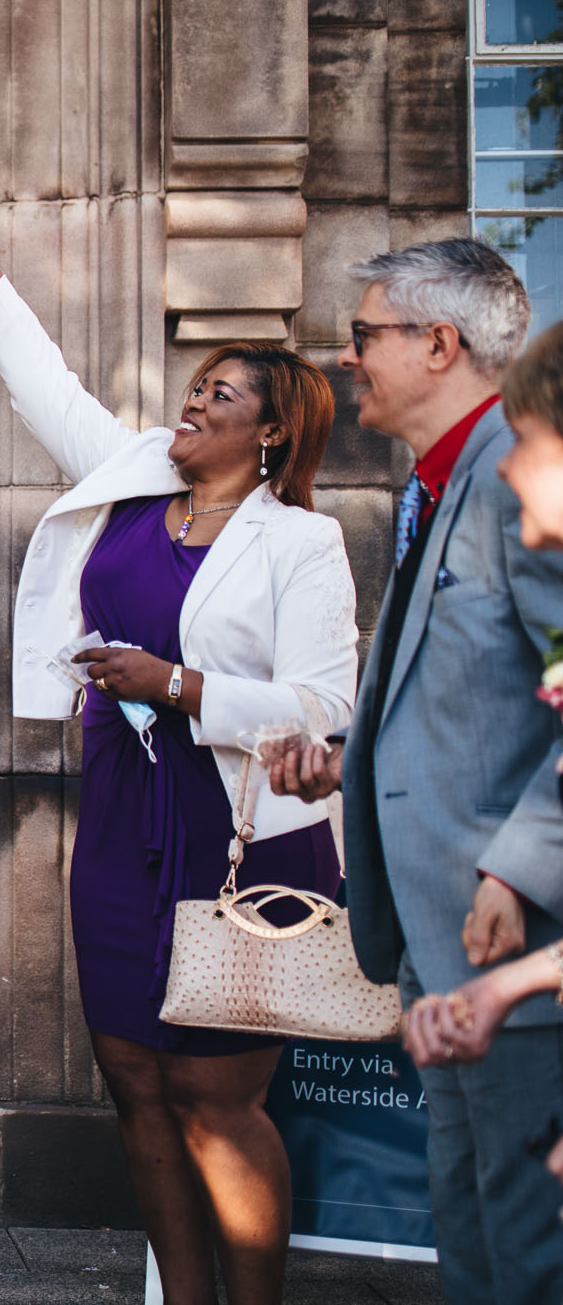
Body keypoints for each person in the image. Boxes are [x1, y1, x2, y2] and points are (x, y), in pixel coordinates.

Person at [0, 182, 356, 1305]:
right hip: (117, 813)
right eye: (194, 389)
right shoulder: (136, 476)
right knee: (135, 1082)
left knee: (218, 1097)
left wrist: (181, 685)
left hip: (238, 828)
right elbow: (41, 377)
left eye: (219, 396)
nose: (191, 405)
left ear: (272, 428)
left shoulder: (303, 542)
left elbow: (322, 702)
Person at [269, 239, 563, 1305]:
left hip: (515, 947)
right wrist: (348, 762)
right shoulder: (436, 484)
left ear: (439, 343)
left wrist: (519, 871)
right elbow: (488, 695)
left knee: (525, 1252)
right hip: (441, 949)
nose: (345, 361)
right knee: (476, 1240)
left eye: (362, 335)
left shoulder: (521, 476)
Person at [396, 319, 563, 1182]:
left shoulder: (498, 493)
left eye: (530, 442)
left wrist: (514, 872)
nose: (508, 464)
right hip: (476, 962)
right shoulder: (431, 486)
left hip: (500, 920)